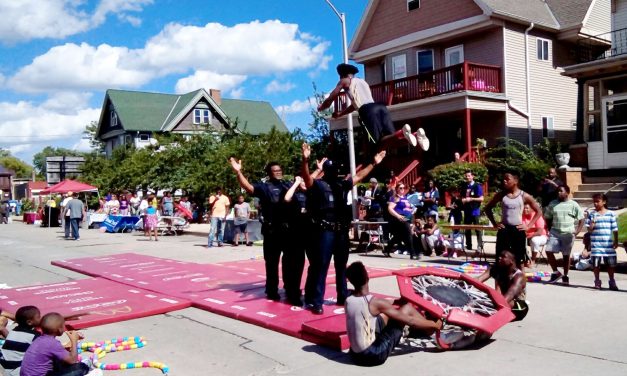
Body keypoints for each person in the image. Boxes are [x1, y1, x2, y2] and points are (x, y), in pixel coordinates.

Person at [302, 143, 386, 314]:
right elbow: (306, 178)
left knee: (341, 265)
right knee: (322, 265)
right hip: (325, 230)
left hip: (341, 231)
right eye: (331, 170)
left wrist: (374, 163)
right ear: (326, 171)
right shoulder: (318, 185)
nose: (335, 172)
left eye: (336, 170)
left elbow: (360, 176)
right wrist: (305, 160)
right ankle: (317, 302)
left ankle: (342, 295)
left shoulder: (342, 184)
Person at [345, 261, 442, 366]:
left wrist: (396, 302)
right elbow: (411, 321)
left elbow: (376, 305)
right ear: (367, 277)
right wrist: (435, 324)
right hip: (373, 355)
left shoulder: (348, 300)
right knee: (406, 309)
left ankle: (419, 329)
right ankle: (431, 329)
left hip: (354, 355)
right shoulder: (375, 303)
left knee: (384, 315)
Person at [317, 63, 429, 154]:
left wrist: (322, 107)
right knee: (391, 139)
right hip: (380, 107)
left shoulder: (344, 81)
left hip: (367, 112)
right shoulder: (362, 82)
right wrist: (341, 113)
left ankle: (403, 132)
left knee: (378, 143)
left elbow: (331, 97)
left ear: (343, 75)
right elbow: (355, 105)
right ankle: (415, 134)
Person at [229, 158, 292, 302]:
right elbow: (248, 187)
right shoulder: (264, 187)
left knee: (289, 263)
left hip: (287, 231)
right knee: (271, 263)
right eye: (275, 171)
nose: (278, 173)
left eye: (279, 170)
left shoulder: (287, 185)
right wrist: (238, 171)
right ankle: (272, 290)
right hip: (271, 230)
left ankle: (289, 287)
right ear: (269, 173)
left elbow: (308, 182)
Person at [484, 171, 542, 267]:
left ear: (515, 181)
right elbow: (487, 208)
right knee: (501, 257)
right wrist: (495, 223)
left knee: (518, 258)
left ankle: (518, 278)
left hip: (518, 229)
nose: (504, 181)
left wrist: (528, 226)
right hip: (504, 229)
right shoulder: (501, 195)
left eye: (507, 179)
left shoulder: (524, 196)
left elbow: (538, 211)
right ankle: (501, 278)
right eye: (503, 179)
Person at [19, 313, 96, 376]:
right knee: (82, 367)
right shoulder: (52, 343)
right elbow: (72, 360)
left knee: (59, 361)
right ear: (59, 330)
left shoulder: (39, 339)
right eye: (63, 326)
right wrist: (74, 340)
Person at [544, 185, 585, 285]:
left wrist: (577, 231)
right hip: (555, 232)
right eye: (558, 191)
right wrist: (549, 229)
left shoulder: (573, 204)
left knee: (566, 255)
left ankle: (565, 275)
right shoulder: (553, 204)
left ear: (567, 193)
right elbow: (548, 217)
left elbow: (581, 218)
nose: (559, 193)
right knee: (548, 250)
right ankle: (555, 272)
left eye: (561, 191)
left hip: (568, 233)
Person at [477, 250, 528, 321]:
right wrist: (461, 282)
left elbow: (509, 296)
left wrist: (490, 303)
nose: (499, 258)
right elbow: (478, 279)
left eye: (503, 257)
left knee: (491, 302)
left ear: (511, 261)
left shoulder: (519, 277)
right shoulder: (496, 268)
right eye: (499, 256)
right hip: (502, 302)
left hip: (519, 308)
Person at [585, 193, 619, 290]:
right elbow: (589, 230)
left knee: (610, 264)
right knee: (596, 264)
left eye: (597, 201)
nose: (595, 204)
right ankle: (597, 280)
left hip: (608, 244)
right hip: (596, 244)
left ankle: (612, 281)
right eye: (594, 202)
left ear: (604, 202)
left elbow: (615, 229)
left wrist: (616, 241)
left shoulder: (611, 214)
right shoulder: (592, 215)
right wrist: (591, 225)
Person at [0, 306, 41, 376]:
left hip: (4, 368)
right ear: (29, 322)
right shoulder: (34, 336)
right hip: (16, 370)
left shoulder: (13, 331)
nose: (40, 319)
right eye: (38, 317)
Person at [385, 183, 415, 258]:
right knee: (408, 233)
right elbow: (390, 208)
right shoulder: (395, 198)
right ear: (397, 189)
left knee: (398, 236)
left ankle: (387, 250)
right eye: (401, 188)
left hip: (407, 218)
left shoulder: (405, 197)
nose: (402, 189)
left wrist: (412, 211)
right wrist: (398, 216)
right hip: (399, 218)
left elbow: (407, 208)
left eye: (403, 188)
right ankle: (412, 253)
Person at [461, 170, 484, 252]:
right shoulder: (464, 186)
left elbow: (481, 198)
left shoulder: (477, 186)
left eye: (469, 176)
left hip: (475, 210)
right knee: (467, 228)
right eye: (466, 176)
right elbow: (463, 196)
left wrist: (471, 199)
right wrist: (463, 200)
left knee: (477, 228)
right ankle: (469, 245)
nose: (467, 177)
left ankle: (480, 245)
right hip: (467, 210)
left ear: (472, 176)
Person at [522, 203, 548, 268]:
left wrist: (528, 236)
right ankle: (521, 260)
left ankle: (533, 260)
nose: (525, 210)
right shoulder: (522, 216)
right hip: (527, 236)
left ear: (532, 209)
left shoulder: (537, 216)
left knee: (535, 240)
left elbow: (539, 232)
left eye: (527, 208)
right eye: (524, 208)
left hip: (541, 236)